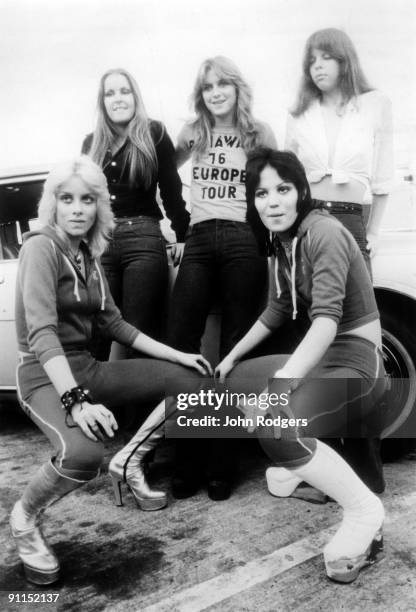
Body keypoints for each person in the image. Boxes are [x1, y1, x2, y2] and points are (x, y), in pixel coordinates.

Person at [10, 156, 211, 586]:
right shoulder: (40, 247)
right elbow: (43, 334)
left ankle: (131, 459)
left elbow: (115, 324)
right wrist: (77, 402)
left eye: (87, 200)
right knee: (82, 456)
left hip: (88, 369)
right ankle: (25, 519)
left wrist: (176, 356)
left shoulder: (87, 253)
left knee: (193, 384)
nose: (78, 209)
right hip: (45, 378)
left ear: (100, 206)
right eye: (67, 199)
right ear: (53, 204)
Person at [215, 148, 387, 583]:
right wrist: (233, 353)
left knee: (275, 423)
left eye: (282, 190)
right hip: (324, 361)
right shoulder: (286, 238)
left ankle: (365, 511)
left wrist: (278, 388)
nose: (272, 202)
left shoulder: (322, 231)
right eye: (261, 193)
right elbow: (279, 307)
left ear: (301, 191)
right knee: (229, 380)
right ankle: (301, 466)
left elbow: (327, 321)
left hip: (357, 362)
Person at [168, 56, 277, 501]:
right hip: (197, 239)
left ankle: (221, 464)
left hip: (241, 241)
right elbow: (162, 175)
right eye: (207, 86)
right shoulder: (191, 133)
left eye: (222, 85)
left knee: (235, 351)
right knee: (181, 345)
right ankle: (186, 459)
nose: (215, 92)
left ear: (236, 88)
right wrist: (175, 228)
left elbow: (275, 184)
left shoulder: (258, 133)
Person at [82, 68, 190, 355]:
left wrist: (182, 233)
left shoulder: (154, 133)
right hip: (99, 244)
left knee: (141, 332)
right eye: (110, 93)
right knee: (96, 330)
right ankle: (92, 399)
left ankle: (142, 400)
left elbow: (171, 187)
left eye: (124, 91)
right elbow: (83, 200)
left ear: (135, 96)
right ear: (102, 102)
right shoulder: (90, 144)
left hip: (142, 238)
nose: (118, 99)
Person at [286, 27, 393, 266]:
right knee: (313, 300)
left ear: (344, 60)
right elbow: (287, 177)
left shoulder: (375, 104)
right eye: (312, 61)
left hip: (353, 218)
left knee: (359, 301)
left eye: (326, 57)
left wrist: (374, 232)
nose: (318, 66)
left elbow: (383, 177)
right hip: (308, 220)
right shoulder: (299, 113)